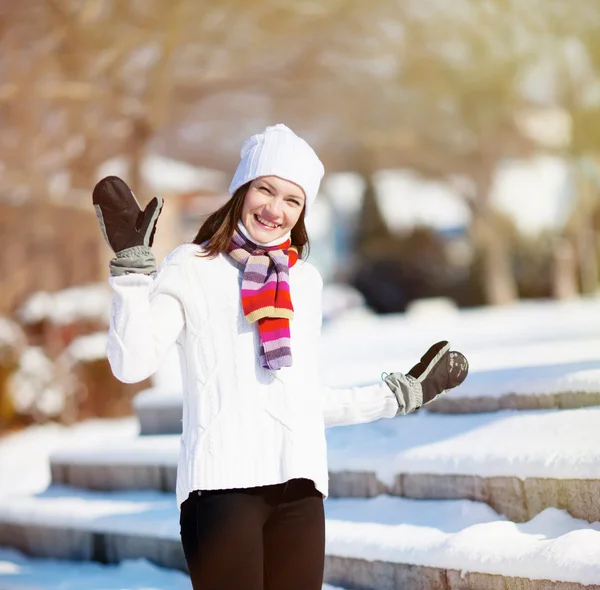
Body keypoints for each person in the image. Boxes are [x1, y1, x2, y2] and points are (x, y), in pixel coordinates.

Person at [92, 123, 468, 590]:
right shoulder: (192, 268)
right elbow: (132, 365)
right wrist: (131, 271)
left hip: (300, 490)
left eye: (293, 200)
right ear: (241, 191)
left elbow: (300, 402)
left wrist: (400, 395)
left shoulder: (303, 283)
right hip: (221, 491)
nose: (275, 209)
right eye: (265, 190)